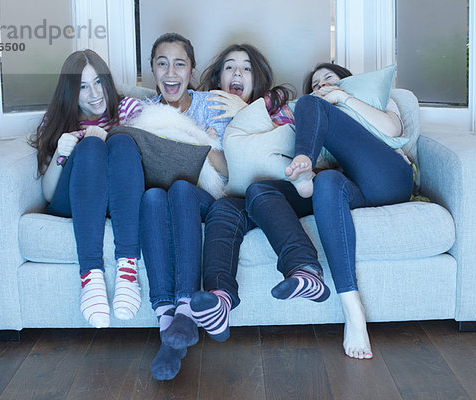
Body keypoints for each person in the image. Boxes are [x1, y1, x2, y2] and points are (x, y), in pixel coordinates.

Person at [249, 62, 413, 360]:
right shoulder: (311, 116)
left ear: (346, 81)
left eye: (329, 79)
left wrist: (343, 98)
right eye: (315, 83)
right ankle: (352, 307)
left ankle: (304, 163)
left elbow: (393, 129)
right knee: (265, 190)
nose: (321, 85)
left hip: (389, 175)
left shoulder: (370, 97)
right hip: (349, 187)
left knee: (312, 106)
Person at [188, 44, 331, 344]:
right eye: (229, 67)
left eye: (246, 67)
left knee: (258, 190)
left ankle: (306, 271)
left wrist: (246, 113)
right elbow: (221, 174)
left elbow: (299, 142)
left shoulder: (276, 104)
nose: (237, 72)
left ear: (257, 79)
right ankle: (219, 299)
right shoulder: (205, 111)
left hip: (289, 189)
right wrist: (206, 141)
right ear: (219, 78)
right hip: (241, 195)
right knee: (223, 210)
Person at [139, 33, 232, 381]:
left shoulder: (210, 104)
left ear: (191, 69)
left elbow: (226, 170)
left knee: (180, 188)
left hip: (203, 199)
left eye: (180, 63)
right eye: (162, 63)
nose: (171, 71)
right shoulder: (146, 111)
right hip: (159, 199)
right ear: (152, 69)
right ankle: (168, 321)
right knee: (150, 198)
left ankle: (185, 307)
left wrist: (194, 137)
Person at [29, 49, 144, 329]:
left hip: (121, 196)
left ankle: (127, 270)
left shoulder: (129, 109)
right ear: (70, 91)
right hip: (75, 199)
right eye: (82, 86)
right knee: (91, 146)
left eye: (98, 82)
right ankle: (91, 276)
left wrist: (114, 136)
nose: (94, 93)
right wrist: (61, 153)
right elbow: (47, 194)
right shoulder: (57, 122)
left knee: (123, 141)